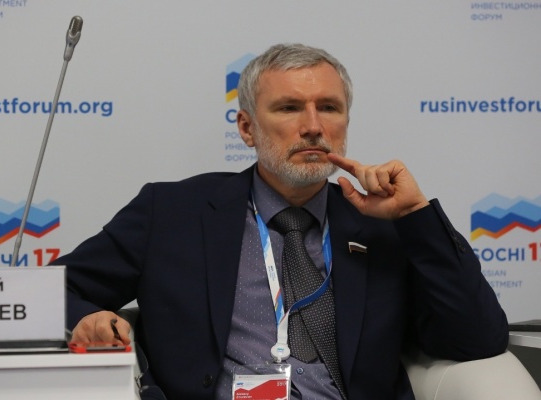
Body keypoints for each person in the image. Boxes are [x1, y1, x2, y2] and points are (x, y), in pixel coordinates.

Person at [52, 43, 508, 400]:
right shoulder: (172, 212)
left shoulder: (383, 224)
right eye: (289, 108)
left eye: (328, 107)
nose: (313, 126)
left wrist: (415, 217)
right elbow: (52, 292)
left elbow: (478, 339)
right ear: (247, 128)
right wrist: (88, 318)